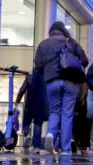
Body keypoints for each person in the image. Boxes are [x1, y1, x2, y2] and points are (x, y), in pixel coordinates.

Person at [34, 21, 88, 154]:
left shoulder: (43, 44)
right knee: (67, 115)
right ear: (64, 31)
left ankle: (50, 135)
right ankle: (65, 149)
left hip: (52, 81)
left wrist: (49, 72)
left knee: (54, 111)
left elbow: (38, 65)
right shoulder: (71, 42)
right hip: (70, 82)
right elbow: (85, 61)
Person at [15, 68, 48, 151]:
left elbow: (22, 89)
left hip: (30, 101)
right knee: (38, 122)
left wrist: (17, 101)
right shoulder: (46, 77)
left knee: (26, 121)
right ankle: (36, 146)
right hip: (41, 103)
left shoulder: (30, 76)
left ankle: (27, 134)